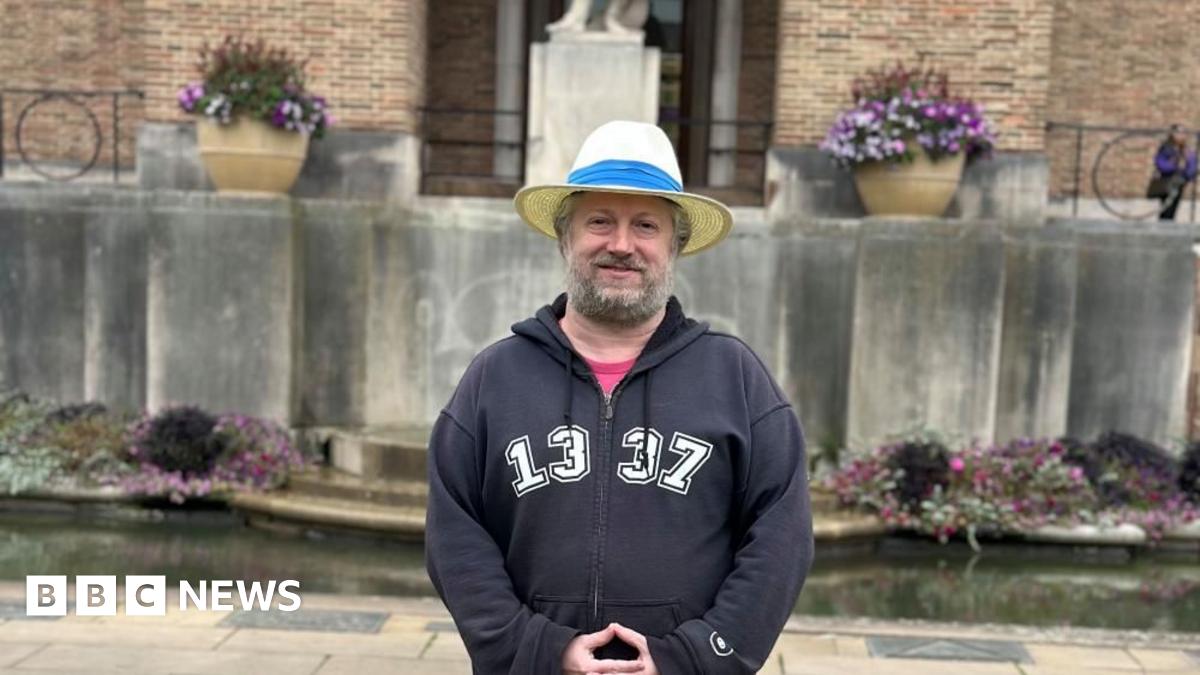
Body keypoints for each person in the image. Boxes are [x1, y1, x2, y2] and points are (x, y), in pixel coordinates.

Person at [425, 120, 813, 675]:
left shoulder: (735, 377)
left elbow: (782, 539)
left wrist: (694, 657)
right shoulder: (495, 376)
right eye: (599, 221)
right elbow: (453, 538)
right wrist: (535, 649)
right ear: (565, 237)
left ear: (675, 245)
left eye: (646, 225)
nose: (622, 245)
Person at [1152, 124, 1197, 220]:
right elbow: (1160, 163)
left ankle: (1168, 226)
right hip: (1167, 181)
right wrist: (1174, 165)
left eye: (1183, 133)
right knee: (1165, 209)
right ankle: (1163, 228)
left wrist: (1188, 173)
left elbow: (1192, 166)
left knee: (1173, 209)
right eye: (1178, 132)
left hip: (1179, 183)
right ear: (1172, 134)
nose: (1181, 135)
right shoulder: (1167, 148)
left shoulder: (1186, 150)